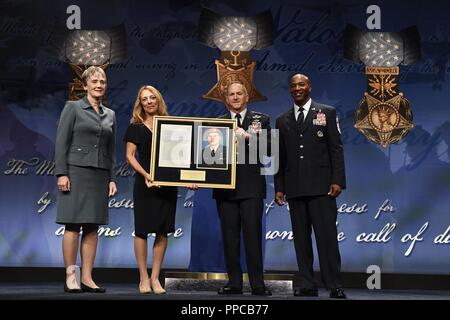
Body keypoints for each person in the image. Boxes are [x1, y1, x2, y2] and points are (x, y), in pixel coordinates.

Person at [274, 73, 346, 298]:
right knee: (301, 241)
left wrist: (337, 180)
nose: (297, 88)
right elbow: (280, 158)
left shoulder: (327, 113)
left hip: (323, 188)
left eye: (301, 84)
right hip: (295, 189)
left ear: (309, 87)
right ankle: (307, 283)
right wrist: (279, 187)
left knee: (327, 238)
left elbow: (336, 149)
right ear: (290, 90)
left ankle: (334, 284)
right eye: (294, 85)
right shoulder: (282, 120)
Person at [55, 66, 117, 293]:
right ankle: (71, 276)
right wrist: (61, 173)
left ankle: (88, 278)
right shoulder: (73, 107)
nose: (99, 84)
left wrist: (112, 178)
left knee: (92, 226)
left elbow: (111, 150)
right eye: (94, 81)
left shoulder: (110, 114)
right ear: (85, 85)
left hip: (100, 174)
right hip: (75, 172)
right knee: (72, 225)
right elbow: (61, 142)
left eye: (102, 81)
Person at [213, 81, 272, 296]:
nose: (236, 97)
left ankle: (258, 284)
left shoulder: (261, 120)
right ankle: (234, 283)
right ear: (226, 99)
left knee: (253, 237)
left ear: (247, 97)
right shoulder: (216, 123)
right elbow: (207, 157)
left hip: (252, 188)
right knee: (230, 238)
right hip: (225, 190)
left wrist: (248, 136)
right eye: (231, 94)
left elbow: (269, 151)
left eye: (239, 94)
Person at [124, 85, 178, 294]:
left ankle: (156, 278)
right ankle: (143, 278)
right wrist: (147, 175)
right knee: (142, 230)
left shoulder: (171, 125)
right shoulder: (135, 127)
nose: (149, 101)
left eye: (152, 97)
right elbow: (130, 156)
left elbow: (180, 156)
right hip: (145, 184)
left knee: (163, 231)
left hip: (167, 186)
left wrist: (188, 178)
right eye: (144, 99)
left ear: (158, 100)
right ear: (140, 103)